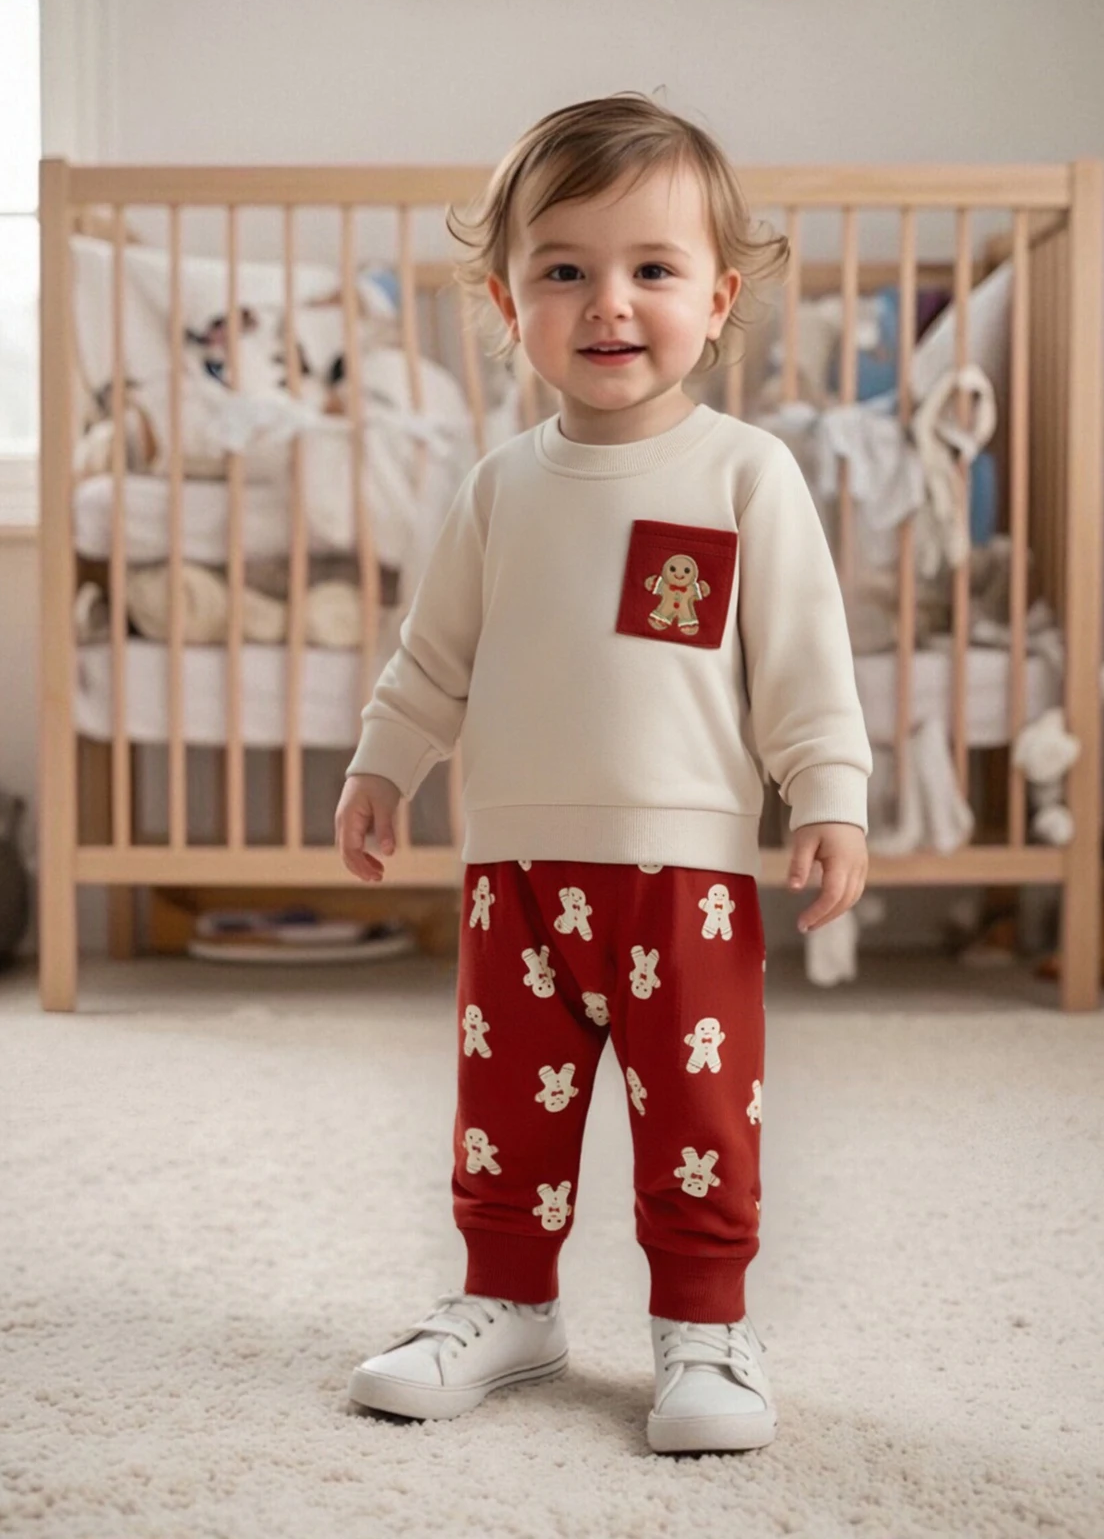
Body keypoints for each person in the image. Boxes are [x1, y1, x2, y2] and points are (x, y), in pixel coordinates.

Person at [335, 92, 870, 1454]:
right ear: (508, 304)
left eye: (653, 269)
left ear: (718, 298)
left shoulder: (746, 474)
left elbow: (804, 663)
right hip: (513, 867)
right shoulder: (498, 488)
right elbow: (432, 656)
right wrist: (386, 764)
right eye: (565, 269)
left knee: (698, 1116)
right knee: (503, 1112)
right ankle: (508, 1302)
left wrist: (828, 794)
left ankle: (705, 1325)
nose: (609, 303)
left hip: (682, 874)